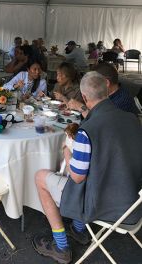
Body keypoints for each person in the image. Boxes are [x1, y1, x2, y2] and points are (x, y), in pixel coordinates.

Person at [33, 72, 142, 264]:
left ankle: (61, 246)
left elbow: (76, 177)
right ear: (107, 90)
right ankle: (78, 229)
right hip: (133, 199)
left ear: (84, 97)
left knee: (41, 177)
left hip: (107, 205)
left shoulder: (87, 131)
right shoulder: (131, 118)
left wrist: (67, 151)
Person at [68, 62, 139, 116]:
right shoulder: (110, 94)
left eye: (93, 82)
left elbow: (100, 123)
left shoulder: (121, 102)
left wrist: (81, 108)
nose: (91, 85)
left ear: (106, 83)